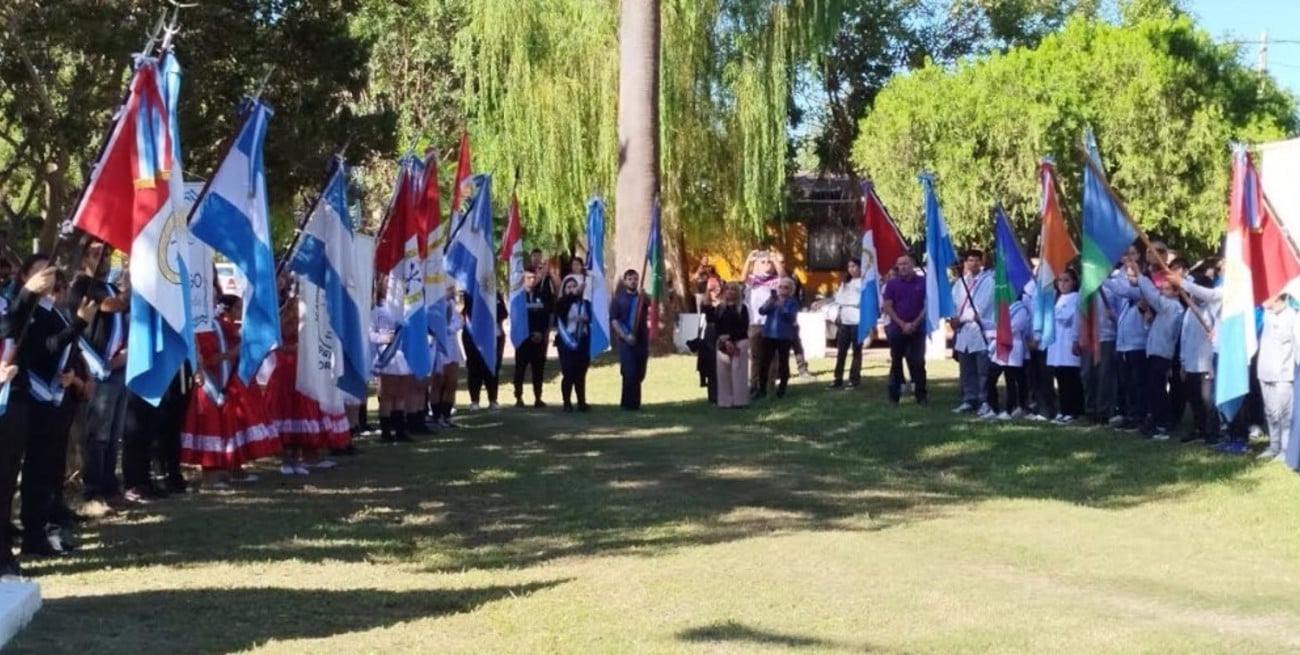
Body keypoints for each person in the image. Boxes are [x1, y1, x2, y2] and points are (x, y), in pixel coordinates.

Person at [21, 266, 97, 556]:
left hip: (58, 394)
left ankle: (49, 526)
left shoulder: (52, 310)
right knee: (38, 470)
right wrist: (78, 324)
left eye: (59, 279)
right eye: (46, 275)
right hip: (37, 397)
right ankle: (35, 533)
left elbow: (66, 350)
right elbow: (48, 347)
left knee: (51, 469)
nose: (55, 283)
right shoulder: (31, 311)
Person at [0, 259, 59, 573]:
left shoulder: (6, 299)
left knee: (6, 482)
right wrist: (26, 294)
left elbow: (9, 328)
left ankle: (3, 554)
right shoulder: (15, 297)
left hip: (14, 397)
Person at [68, 240, 129, 509]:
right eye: (96, 254)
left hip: (120, 366)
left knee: (114, 433)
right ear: (83, 259)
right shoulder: (82, 287)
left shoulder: (111, 286)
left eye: (106, 255)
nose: (103, 259)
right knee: (98, 435)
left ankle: (110, 485)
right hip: (98, 369)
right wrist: (135, 280)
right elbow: (112, 306)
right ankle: (94, 489)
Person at [1119, 260, 1184, 440]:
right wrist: (1148, 322)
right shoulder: (1167, 309)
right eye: (1162, 289)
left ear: (1177, 292)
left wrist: (1139, 274)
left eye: (1168, 289)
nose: (1163, 293)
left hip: (1162, 353)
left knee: (1158, 390)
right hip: (1156, 351)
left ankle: (1162, 423)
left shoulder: (1172, 307)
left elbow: (1152, 295)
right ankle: (1156, 420)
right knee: (1153, 389)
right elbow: (1156, 329)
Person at [1104, 246, 1150, 431]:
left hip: (1138, 343)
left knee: (1138, 384)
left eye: (1133, 276)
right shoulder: (1124, 289)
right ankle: (1129, 414)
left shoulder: (1143, 288)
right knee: (1127, 383)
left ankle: (1139, 416)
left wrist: (1100, 278)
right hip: (1123, 342)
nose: (1130, 279)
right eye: (1128, 276)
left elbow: (1123, 290)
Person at [1172, 273, 1219, 444]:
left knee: (1208, 400)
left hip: (1206, 364)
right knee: (1194, 399)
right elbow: (1184, 338)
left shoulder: (1212, 311)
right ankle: (1199, 428)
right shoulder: (1189, 312)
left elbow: (1216, 337)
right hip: (1191, 363)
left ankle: (1212, 431)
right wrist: (1183, 362)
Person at [1256, 293, 1299, 460]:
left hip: (1284, 373)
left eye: (1268, 297)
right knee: (1271, 412)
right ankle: (1274, 445)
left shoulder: (1292, 316)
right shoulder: (1266, 315)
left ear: (1278, 298)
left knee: (1285, 414)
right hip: (1265, 370)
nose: (1264, 301)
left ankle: (1285, 448)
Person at [952, 249, 993, 415]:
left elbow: (980, 309)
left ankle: (985, 400)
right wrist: (952, 318)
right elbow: (953, 303)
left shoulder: (988, 281)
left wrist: (959, 319)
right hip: (963, 333)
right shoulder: (960, 282)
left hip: (980, 330)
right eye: (970, 260)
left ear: (981, 262)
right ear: (966, 263)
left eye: (976, 260)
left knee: (982, 370)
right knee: (966, 369)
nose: (973, 263)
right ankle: (969, 399)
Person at [882, 254, 927, 404]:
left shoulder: (923, 282)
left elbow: (928, 305)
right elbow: (887, 306)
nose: (903, 267)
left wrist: (915, 323)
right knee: (896, 362)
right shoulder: (892, 284)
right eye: (900, 264)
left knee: (918, 362)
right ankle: (894, 396)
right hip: (897, 328)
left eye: (906, 264)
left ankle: (921, 395)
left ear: (912, 264)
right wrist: (902, 324)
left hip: (918, 329)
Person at [371, 281, 412, 443]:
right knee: (387, 395)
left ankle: (400, 430)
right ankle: (386, 432)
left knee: (401, 395)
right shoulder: (377, 311)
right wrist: (384, 338)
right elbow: (371, 334)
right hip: (387, 355)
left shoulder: (404, 308)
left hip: (403, 356)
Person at [984, 290, 1031, 420]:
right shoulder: (1003, 307)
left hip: (1012, 349)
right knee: (990, 378)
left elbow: (1013, 329)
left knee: (1011, 380)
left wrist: (991, 334)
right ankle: (993, 408)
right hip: (1000, 349)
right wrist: (981, 321)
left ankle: (1011, 409)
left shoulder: (1021, 310)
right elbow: (996, 325)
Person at [610, 269, 650, 410]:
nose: (633, 281)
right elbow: (614, 321)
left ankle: (636, 402)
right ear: (625, 281)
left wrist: (646, 298)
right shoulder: (618, 299)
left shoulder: (642, 299)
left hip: (641, 340)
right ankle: (627, 404)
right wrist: (625, 336)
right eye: (630, 279)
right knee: (629, 372)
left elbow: (653, 307)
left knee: (639, 372)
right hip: (626, 341)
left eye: (635, 279)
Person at [1047, 269, 1083, 424]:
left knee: (1070, 378)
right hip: (1057, 344)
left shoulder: (1075, 297)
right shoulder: (1058, 298)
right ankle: (1064, 409)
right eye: (1060, 280)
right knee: (1060, 378)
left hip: (1068, 342)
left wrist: (1051, 312)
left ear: (1073, 282)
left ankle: (1073, 411)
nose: (1062, 284)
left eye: (1066, 280)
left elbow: (1067, 317)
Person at [513, 269, 553, 408]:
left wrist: (541, 333)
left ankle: (538, 397)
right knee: (520, 370)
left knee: (538, 370)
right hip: (523, 340)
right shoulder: (518, 298)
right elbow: (516, 319)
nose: (531, 280)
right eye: (528, 277)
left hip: (538, 340)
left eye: (533, 278)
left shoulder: (541, 296)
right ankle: (518, 397)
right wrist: (528, 333)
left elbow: (545, 316)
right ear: (523, 279)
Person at [742, 251, 779, 395]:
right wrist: (749, 260)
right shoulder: (752, 281)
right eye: (762, 262)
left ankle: (770, 384)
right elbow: (742, 278)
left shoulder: (774, 281)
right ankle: (754, 384)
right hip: (755, 323)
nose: (766, 265)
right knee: (756, 356)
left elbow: (783, 277)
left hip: (771, 323)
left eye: (768, 262)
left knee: (772, 356)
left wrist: (774, 259)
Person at [554, 274, 593, 412]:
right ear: (564, 290)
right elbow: (559, 311)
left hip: (582, 341)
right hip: (567, 342)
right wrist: (572, 295)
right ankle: (567, 402)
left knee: (580, 373)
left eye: (574, 286)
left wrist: (585, 319)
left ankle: (581, 402)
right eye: (568, 287)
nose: (571, 289)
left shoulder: (584, 303)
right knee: (568, 372)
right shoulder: (561, 303)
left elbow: (591, 318)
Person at [757, 276, 799, 399]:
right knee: (764, 362)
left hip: (784, 336)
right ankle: (762, 389)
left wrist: (782, 307)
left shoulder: (792, 302)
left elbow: (791, 318)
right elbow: (762, 311)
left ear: (791, 290)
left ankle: (782, 388)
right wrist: (770, 301)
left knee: (783, 362)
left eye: (785, 287)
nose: (782, 290)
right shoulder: (773, 300)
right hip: (769, 334)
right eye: (780, 287)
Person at [464, 292, 507, 410]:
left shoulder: (496, 294)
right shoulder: (471, 292)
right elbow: (469, 313)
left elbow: (504, 312)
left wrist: (492, 315)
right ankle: (474, 401)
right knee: (474, 369)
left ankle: (493, 400)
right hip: (475, 336)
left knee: (492, 368)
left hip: (494, 336)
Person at [712, 283, 751, 409]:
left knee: (738, 370)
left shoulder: (742, 308)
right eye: (727, 289)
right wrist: (724, 341)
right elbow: (716, 326)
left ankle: (740, 401)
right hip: (723, 341)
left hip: (739, 341)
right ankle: (724, 401)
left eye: (733, 289)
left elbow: (744, 327)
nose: (729, 292)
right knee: (723, 372)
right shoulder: (719, 308)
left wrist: (732, 339)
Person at [828, 259, 864, 389]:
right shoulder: (846, 283)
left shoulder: (864, 282)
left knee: (856, 351)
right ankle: (837, 378)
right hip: (844, 320)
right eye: (849, 266)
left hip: (857, 320)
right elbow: (839, 300)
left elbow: (859, 301)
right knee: (841, 351)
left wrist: (851, 301)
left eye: (854, 266)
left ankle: (854, 379)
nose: (851, 269)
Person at [431, 284, 463, 427]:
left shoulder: (451, 305)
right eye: (449, 288)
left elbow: (458, 322)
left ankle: (447, 414)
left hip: (452, 345)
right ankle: (437, 416)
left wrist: (450, 329)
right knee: (438, 381)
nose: (452, 291)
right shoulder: (433, 304)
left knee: (452, 381)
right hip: (438, 345)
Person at [695, 278, 722, 403]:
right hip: (710, 334)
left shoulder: (725, 302)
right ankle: (713, 396)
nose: (714, 291)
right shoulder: (706, 302)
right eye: (711, 288)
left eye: (716, 287)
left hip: (722, 332)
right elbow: (708, 314)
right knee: (711, 366)